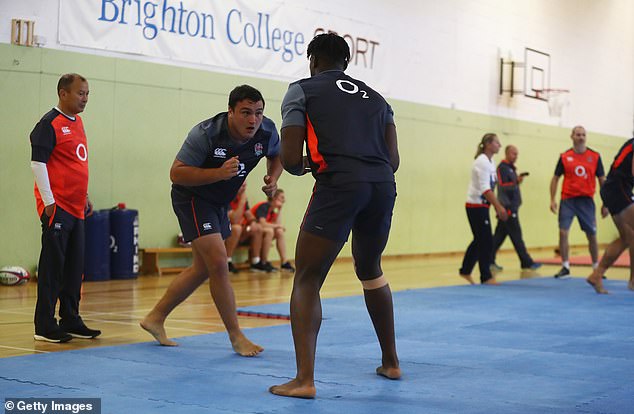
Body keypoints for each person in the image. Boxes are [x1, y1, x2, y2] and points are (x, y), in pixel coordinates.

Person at [269, 33, 401, 399]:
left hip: (340, 184)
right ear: (347, 62)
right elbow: (393, 160)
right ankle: (391, 362)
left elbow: (292, 159)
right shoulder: (378, 99)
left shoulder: (302, 90)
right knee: (370, 269)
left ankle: (304, 380)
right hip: (382, 185)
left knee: (308, 277)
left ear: (312, 60)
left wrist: (313, 164)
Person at [140, 85, 283, 356]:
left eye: (258, 113)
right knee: (218, 263)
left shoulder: (267, 130)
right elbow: (176, 173)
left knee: (202, 268)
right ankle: (236, 335)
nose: (253, 120)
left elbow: (278, 155)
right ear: (230, 112)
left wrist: (273, 178)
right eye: (245, 113)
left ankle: (155, 318)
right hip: (192, 197)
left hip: (219, 202)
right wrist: (218, 174)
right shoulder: (206, 134)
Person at [30, 73, 101, 343]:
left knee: (74, 268)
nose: (84, 98)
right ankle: (45, 325)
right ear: (63, 93)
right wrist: (49, 203)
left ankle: (70, 318)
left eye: (87, 94)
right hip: (57, 209)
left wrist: (84, 195)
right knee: (53, 268)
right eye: (80, 93)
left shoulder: (78, 122)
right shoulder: (49, 124)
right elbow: (38, 164)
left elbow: (74, 163)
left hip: (76, 208)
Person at [550, 126, 608, 278]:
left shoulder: (594, 156)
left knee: (592, 234)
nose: (581, 137)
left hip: (586, 201)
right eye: (578, 134)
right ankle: (565, 267)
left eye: (583, 135)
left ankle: (596, 268)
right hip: (568, 200)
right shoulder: (565, 157)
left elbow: (602, 180)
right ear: (572, 136)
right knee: (563, 232)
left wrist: (606, 203)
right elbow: (555, 178)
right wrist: (552, 199)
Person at [459, 133, 508, 285]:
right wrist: (499, 207)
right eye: (497, 143)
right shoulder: (482, 162)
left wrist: (494, 205)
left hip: (481, 205)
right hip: (476, 206)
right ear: (488, 144)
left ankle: (466, 269)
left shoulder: (490, 161)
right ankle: (485, 276)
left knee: (480, 239)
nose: (499, 145)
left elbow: (491, 187)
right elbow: (485, 189)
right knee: (486, 241)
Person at [586, 137, 634, 294]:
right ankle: (633, 281)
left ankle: (597, 275)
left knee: (627, 238)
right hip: (618, 188)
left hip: (615, 188)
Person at [491, 145, 541, 271]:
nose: (516, 156)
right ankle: (526, 261)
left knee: (498, 237)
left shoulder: (511, 169)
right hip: (507, 208)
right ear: (507, 153)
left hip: (512, 207)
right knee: (517, 236)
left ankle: (488, 260)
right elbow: (502, 186)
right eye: (513, 154)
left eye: (517, 154)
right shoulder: (502, 168)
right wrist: (516, 182)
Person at [225, 182, 272, 273]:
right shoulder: (227, 197)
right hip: (226, 232)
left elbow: (249, 215)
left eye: (245, 185)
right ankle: (227, 261)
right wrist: (242, 201)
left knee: (257, 228)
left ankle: (256, 262)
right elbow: (234, 219)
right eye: (242, 185)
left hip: (240, 233)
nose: (244, 188)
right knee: (236, 228)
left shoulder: (242, 199)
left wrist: (253, 222)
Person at [251, 189, 295, 272]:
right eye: (281, 197)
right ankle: (263, 262)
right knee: (270, 231)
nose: (284, 200)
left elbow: (277, 225)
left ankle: (284, 262)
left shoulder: (272, 210)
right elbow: (262, 224)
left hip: (261, 232)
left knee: (279, 232)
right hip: (249, 230)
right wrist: (278, 226)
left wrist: (279, 210)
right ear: (274, 198)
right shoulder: (264, 206)